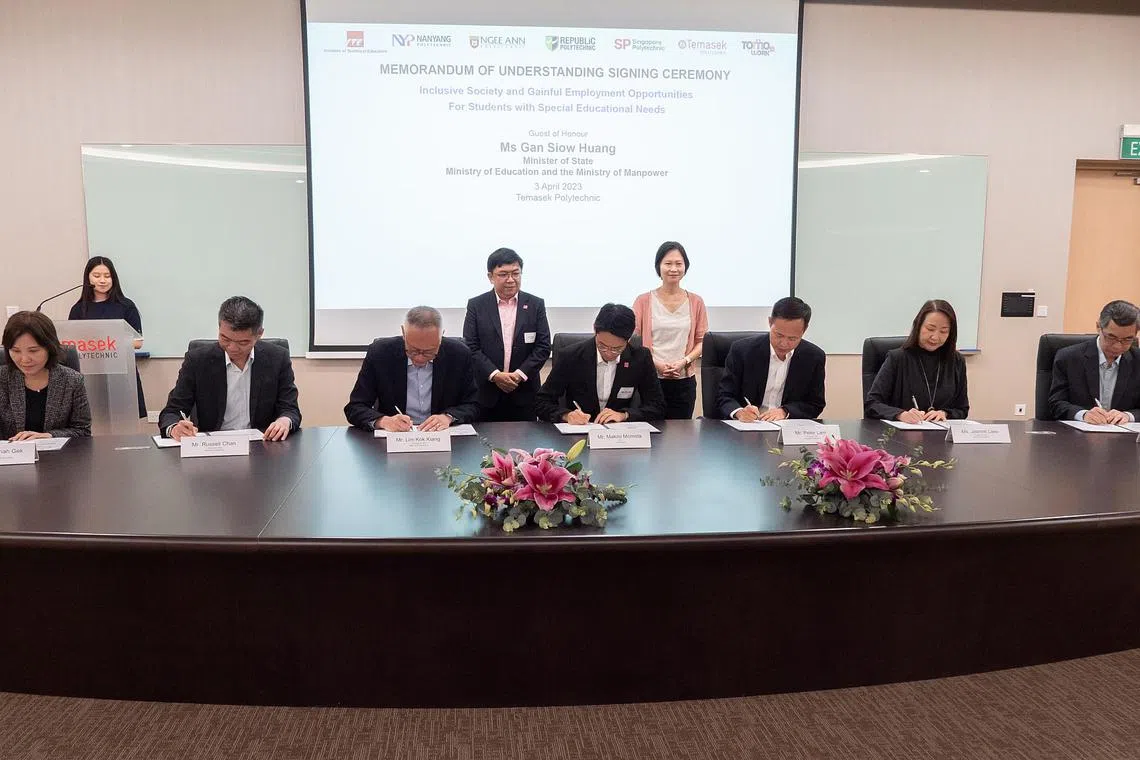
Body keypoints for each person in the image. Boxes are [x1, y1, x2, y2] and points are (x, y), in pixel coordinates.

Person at [159, 296, 301, 441]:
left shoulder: (277, 358)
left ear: (259, 334)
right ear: (219, 327)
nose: (232, 348)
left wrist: (284, 421)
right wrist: (175, 427)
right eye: (225, 339)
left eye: (243, 342)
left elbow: (290, 409)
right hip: (214, 447)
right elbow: (172, 412)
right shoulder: (197, 360)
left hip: (262, 446)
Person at [345, 306, 480, 432]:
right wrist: (383, 421)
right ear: (404, 333)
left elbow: (473, 405)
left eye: (429, 352)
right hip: (396, 439)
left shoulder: (459, 354)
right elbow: (355, 408)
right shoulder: (380, 353)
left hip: (441, 437)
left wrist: (448, 417)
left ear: (441, 338)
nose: (420, 358)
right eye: (413, 351)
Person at [535, 303, 665, 423]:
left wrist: (624, 415)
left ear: (629, 338)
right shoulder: (571, 356)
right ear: (594, 330)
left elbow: (657, 406)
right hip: (578, 435)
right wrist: (566, 415)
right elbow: (541, 402)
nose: (608, 353)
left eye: (616, 349)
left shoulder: (640, 358)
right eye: (602, 346)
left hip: (620, 437)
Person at [462, 248, 551, 421]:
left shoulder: (535, 304)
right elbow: (471, 347)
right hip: (486, 395)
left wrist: (519, 375)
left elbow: (543, 346)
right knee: (485, 445)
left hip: (524, 393)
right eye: (503, 274)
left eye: (515, 273)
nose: (511, 280)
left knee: (525, 447)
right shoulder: (476, 305)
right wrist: (495, 375)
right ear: (490, 277)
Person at [716, 297, 826, 421]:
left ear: (804, 330)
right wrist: (739, 412)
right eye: (779, 335)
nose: (784, 343)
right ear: (770, 322)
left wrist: (785, 411)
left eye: (792, 339)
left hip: (787, 429)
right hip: (749, 428)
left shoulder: (814, 357)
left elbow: (815, 404)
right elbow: (725, 396)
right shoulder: (742, 351)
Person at [631, 241, 708, 419]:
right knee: (651, 432)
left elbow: (701, 340)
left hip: (684, 380)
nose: (673, 269)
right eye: (668, 263)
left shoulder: (696, 302)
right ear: (659, 267)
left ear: (685, 267)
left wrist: (684, 361)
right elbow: (633, 341)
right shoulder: (643, 301)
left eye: (678, 264)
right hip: (650, 379)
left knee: (681, 437)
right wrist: (656, 364)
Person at [68, 255, 147, 417]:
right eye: (97, 276)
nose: (102, 280)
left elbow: (138, 342)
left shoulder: (126, 306)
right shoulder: (78, 309)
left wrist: (105, 343)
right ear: (88, 278)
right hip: (90, 376)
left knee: (123, 421)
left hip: (121, 375)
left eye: (107, 276)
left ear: (114, 278)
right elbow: (71, 345)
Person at [865, 299, 969, 422]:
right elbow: (872, 404)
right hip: (901, 437)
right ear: (918, 326)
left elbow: (962, 409)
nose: (935, 337)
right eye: (930, 329)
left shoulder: (957, 361)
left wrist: (944, 413)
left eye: (943, 331)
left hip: (942, 436)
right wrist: (900, 414)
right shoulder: (897, 359)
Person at [0, 311, 91, 439]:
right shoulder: (2, 378)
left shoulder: (72, 381)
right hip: (10, 457)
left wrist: (49, 436)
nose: (24, 359)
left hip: (58, 457)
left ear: (50, 347)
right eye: (15, 351)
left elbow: (83, 431)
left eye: (33, 351)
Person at [1048, 299, 1140, 424]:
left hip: (1124, 437)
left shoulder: (1137, 361)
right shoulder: (1068, 358)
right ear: (1098, 327)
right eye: (1111, 337)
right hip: (1076, 438)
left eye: (1127, 339)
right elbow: (1056, 404)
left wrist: (1128, 416)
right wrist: (1083, 414)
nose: (1118, 346)